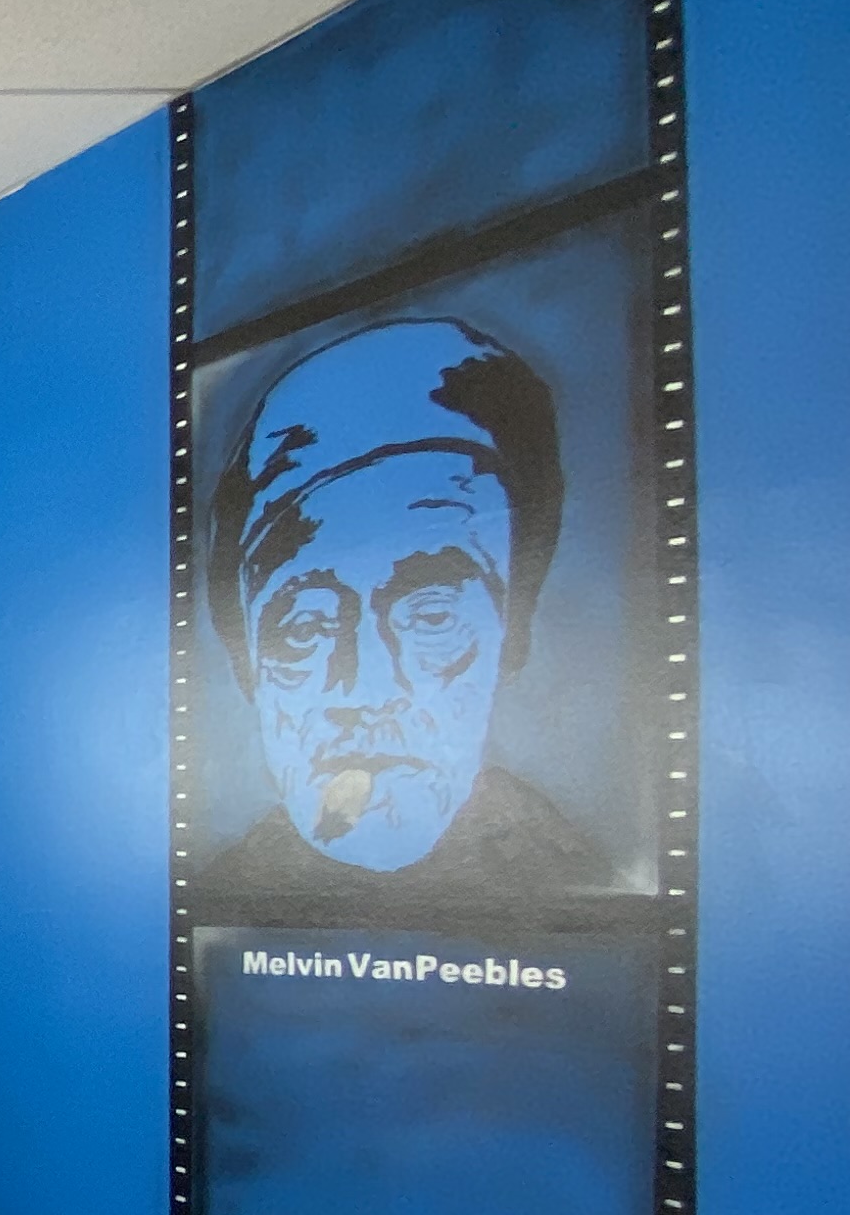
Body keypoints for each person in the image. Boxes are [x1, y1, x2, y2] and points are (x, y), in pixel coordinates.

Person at [202, 317, 602, 904]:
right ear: (250, 667)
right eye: (306, 628)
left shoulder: (580, 883)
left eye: (433, 616)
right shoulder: (220, 896)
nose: (366, 690)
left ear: (509, 636)